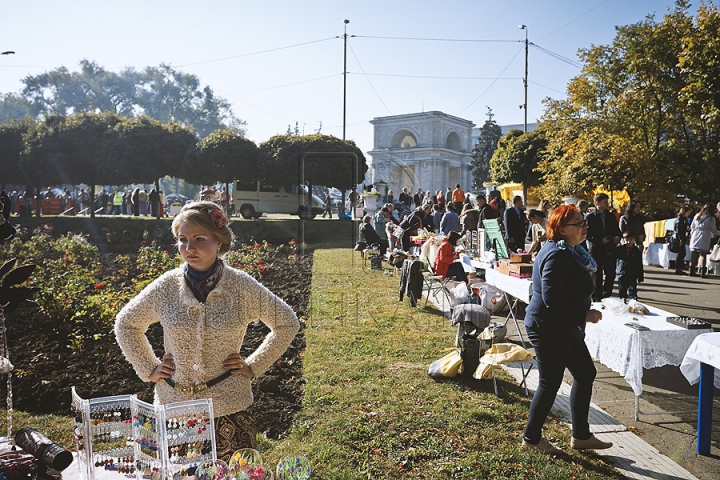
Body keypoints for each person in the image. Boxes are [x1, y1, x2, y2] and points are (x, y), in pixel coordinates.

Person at [115, 201, 299, 461]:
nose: (189, 248)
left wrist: (254, 364)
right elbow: (126, 323)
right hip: (173, 410)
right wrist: (148, 366)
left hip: (229, 409)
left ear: (219, 242)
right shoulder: (166, 287)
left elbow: (287, 322)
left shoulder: (242, 287)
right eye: (182, 239)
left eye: (199, 239)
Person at [521, 205, 612, 455]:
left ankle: (581, 436)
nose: (585, 226)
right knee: (550, 384)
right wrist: (585, 315)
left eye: (584, 221)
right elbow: (552, 299)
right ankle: (531, 438)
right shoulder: (557, 255)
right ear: (561, 229)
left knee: (585, 374)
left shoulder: (572, 251)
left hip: (566, 327)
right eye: (578, 223)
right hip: (548, 327)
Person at [585, 193, 621, 301]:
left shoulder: (610, 216)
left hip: (610, 248)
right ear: (597, 203)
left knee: (610, 273)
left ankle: (607, 295)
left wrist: (617, 237)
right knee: (597, 275)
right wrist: (600, 240)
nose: (607, 204)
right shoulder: (590, 217)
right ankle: (597, 297)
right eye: (605, 202)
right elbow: (587, 234)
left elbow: (617, 230)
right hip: (596, 249)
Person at [689, 203, 720, 277]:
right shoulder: (711, 218)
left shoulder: (697, 215)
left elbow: (692, 226)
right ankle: (702, 273)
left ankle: (691, 270)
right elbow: (713, 230)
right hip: (704, 235)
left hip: (695, 234)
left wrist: (692, 234)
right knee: (703, 254)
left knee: (694, 254)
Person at [615, 232, 644, 300]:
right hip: (621, 273)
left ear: (634, 240)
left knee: (632, 290)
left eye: (631, 240)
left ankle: (633, 303)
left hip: (632, 274)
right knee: (622, 290)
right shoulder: (619, 250)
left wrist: (640, 276)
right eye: (627, 240)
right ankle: (623, 303)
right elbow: (616, 261)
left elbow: (639, 264)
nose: (628, 242)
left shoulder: (636, 251)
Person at [673, 206, 693, 274]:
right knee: (681, 253)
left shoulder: (682, 219)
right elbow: (678, 230)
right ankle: (678, 268)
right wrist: (681, 239)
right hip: (680, 238)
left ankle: (679, 267)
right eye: (688, 213)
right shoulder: (680, 220)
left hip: (681, 237)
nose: (689, 214)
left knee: (682, 253)